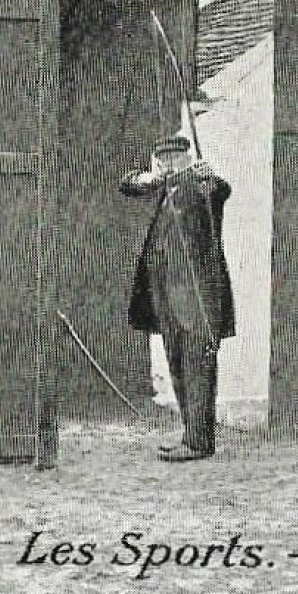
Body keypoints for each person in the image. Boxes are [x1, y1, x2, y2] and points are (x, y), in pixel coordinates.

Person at [120, 133, 234, 462]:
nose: (169, 164)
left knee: (198, 369)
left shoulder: (199, 184)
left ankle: (200, 442)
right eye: (163, 160)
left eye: (174, 159)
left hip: (197, 300)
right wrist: (151, 177)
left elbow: (219, 192)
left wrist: (210, 178)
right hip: (169, 300)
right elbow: (127, 185)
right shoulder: (165, 188)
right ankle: (191, 436)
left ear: (187, 157)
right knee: (179, 368)